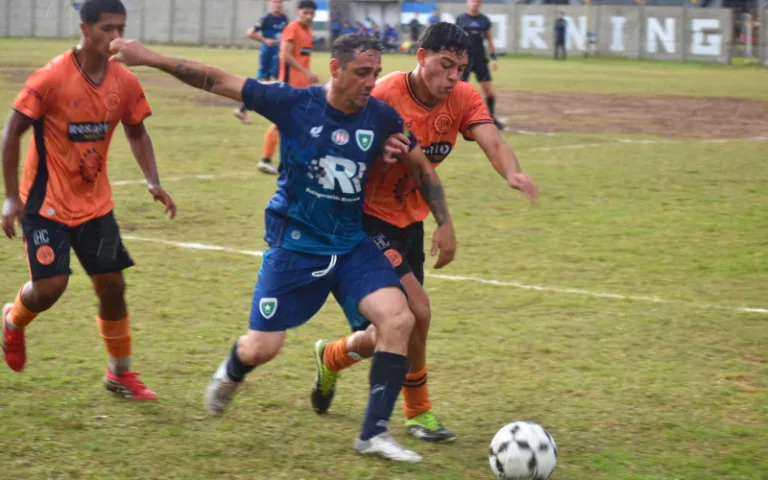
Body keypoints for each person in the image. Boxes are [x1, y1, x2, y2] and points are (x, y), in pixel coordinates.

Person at [108, 33, 458, 462]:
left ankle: (374, 433)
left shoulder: (381, 118)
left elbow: (420, 165)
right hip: (295, 245)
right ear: (336, 70)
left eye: (375, 73)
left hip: (349, 245)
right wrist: (150, 58)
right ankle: (233, 369)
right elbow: (218, 80)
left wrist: (444, 222)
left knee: (399, 318)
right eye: (361, 73)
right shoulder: (295, 104)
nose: (370, 82)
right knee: (263, 348)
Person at [310, 22, 537, 442]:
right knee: (418, 313)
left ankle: (332, 356)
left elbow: (492, 140)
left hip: (409, 221)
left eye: (460, 69)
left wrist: (513, 173)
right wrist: (374, 147)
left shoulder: (463, 97)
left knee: (390, 331)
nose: (453, 77)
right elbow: (335, 137)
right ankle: (419, 413)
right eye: (445, 65)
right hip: (364, 220)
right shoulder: (384, 93)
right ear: (421, 58)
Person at [1, 0, 176, 400]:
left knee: (113, 287)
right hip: (45, 204)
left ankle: (119, 374)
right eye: (107, 29)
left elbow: (136, 131)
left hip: (95, 205)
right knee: (49, 289)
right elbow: (11, 132)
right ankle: (13, 319)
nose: (117, 38)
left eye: (121, 29)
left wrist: (153, 181)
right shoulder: (50, 78)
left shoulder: (124, 82)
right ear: (85, 30)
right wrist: (11, 197)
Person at [258, 0, 319, 175]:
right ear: (299, 12)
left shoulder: (308, 31)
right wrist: (306, 72)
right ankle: (266, 159)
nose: (308, 16)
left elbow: (302, 56)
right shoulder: (292, 28)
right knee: (282, 122)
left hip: (303, 87)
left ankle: (292, 161)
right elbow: (284, 55)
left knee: (302, 122)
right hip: (290, 85)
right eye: (305, 12)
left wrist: (307, 76)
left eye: (311, 13)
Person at [233, 0, 288, 125]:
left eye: (280, 2)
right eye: (275, 2)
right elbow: (250, 33)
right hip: (268, 55)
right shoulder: (266, 18)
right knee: (264, 84)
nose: (278, 4)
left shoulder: (284, 18)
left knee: (279, 83)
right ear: (270, 3)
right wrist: (265, 40)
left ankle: (278, 114)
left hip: (279, 55)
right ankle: (243, 109)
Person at [456, 0, 503, 130]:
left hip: (480, 59)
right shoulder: (461, 19)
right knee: (458, 89)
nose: (475, 4)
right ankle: (456, 117)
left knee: (488, 90)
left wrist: (493, 58)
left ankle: (492, 117)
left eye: (477, 2)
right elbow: (455, 39)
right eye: (472, 1)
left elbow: (489, 40)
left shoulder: (484, 20)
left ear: (480, 4)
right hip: (464, 60)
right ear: (468, 3)